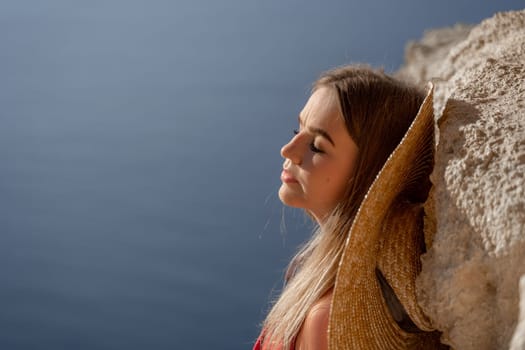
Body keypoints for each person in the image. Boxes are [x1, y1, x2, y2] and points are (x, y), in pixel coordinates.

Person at [254, 65, 445, 349]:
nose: (289, 150)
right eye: (298, 129)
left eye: (317, 146)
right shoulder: (321, 278)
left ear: (367, 177)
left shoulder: (324, 321)